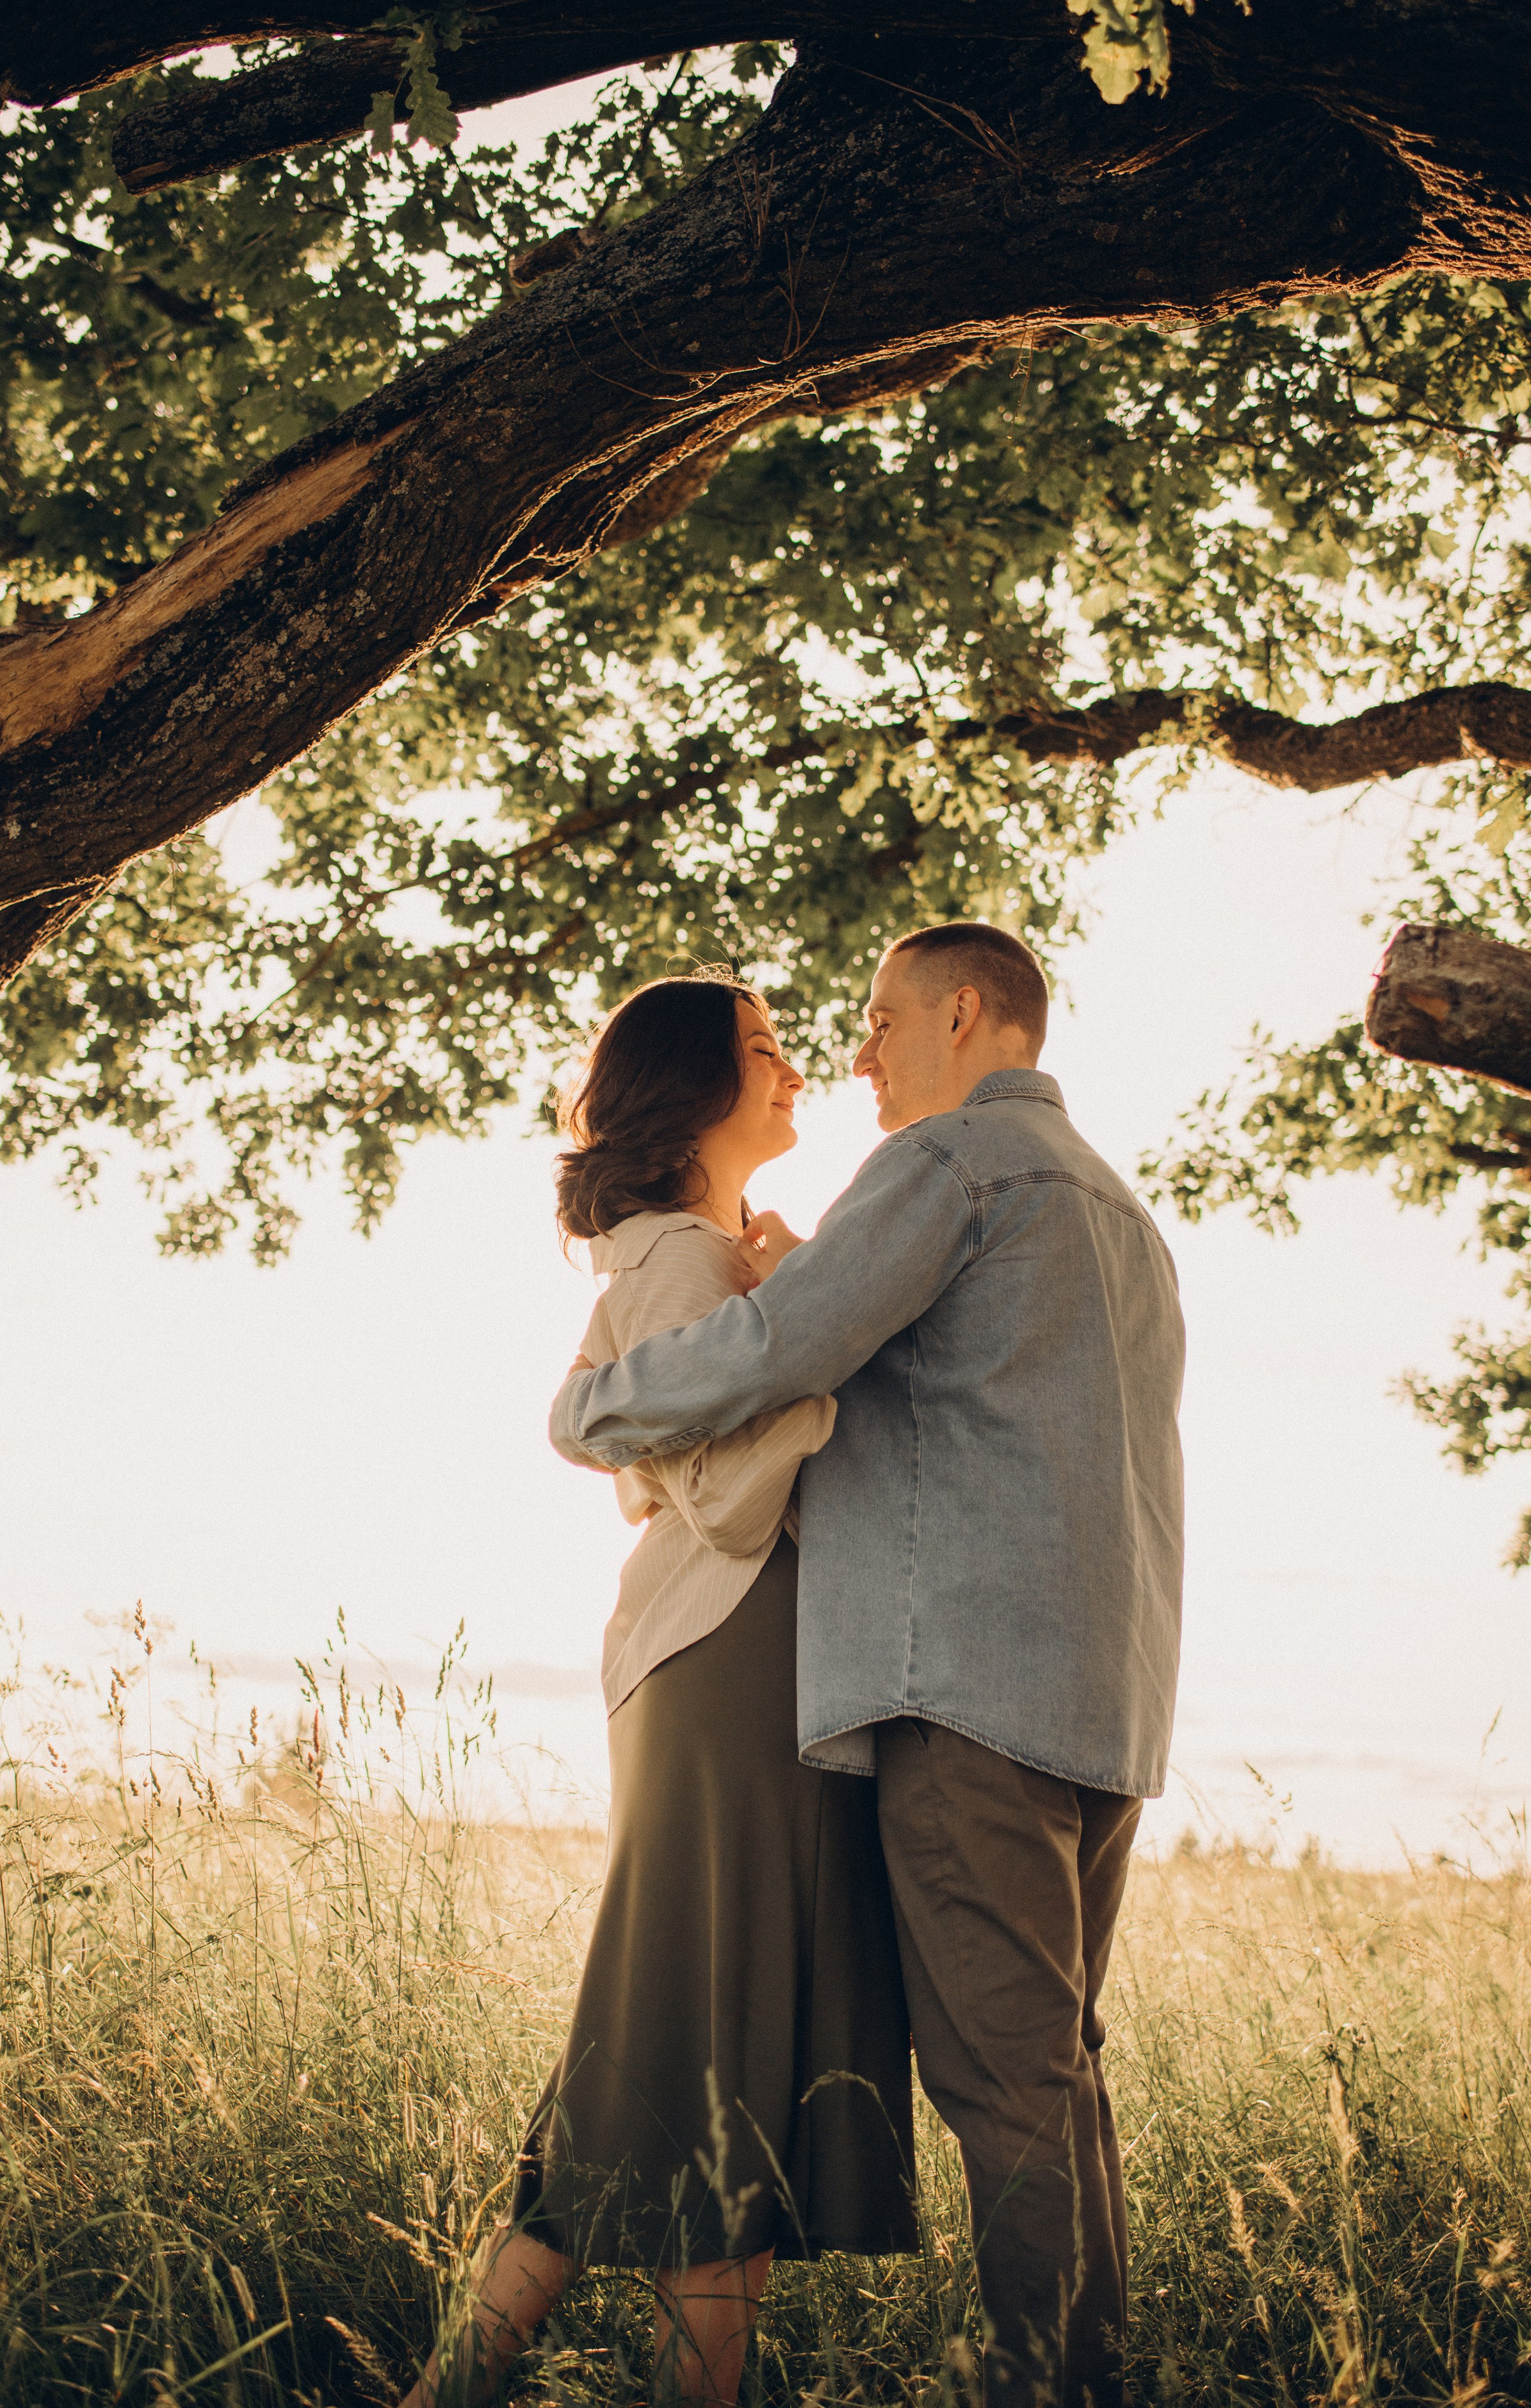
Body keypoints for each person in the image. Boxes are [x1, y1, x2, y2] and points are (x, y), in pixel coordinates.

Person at [551, 923, 1186, 2408]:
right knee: (1057, 2068)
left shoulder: (946, 1168)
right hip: (1104, 1700)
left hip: (960, 1693)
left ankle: (1053, 2389)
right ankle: (1076, 2373)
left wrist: (591, 1409)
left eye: (877, 1022)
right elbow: (952, 1386)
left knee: (1001, 2086)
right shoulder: (1115, 1213)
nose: (855, 1056)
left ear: (960, 1013)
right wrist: (808, 1272)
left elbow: (772, 1352)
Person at [401, 974, 916, 2408]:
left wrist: (793, 1302)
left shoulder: (680, 1251)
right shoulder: (689, 1256)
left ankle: (456, 2386)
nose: (796, 1067)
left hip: (715, 1660)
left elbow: (626, 1444)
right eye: (761, 1049)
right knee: (717, 2032)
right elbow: (714, 1487)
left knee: (681, 2030)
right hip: (732, 1653)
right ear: (692, 1089)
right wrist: (818, 1353)